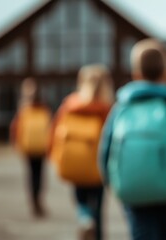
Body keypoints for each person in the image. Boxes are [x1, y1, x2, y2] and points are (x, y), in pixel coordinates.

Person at [98, 39, 166, 240]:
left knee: (141, 233)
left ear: (136, 74)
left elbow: (106, 148)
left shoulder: (121, 108)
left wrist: (110, 181)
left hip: (132, 188)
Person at [48, 64, 113, 240]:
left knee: (81, 200)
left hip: (75, 162)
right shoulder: (106, 108)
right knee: (98, 207)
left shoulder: (70, 105)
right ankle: (97, 233)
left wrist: (54, 156)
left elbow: (54, 131)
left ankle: (85, 220)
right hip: (97, 166)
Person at [10, 77, 50, 218]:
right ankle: (36, 201)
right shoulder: (39, 107)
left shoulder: (24, 108)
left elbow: (15, 127)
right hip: (35, 147)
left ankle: (35, 200)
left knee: (34, 176)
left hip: (34, 147)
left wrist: (15, 142)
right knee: (36, 175)